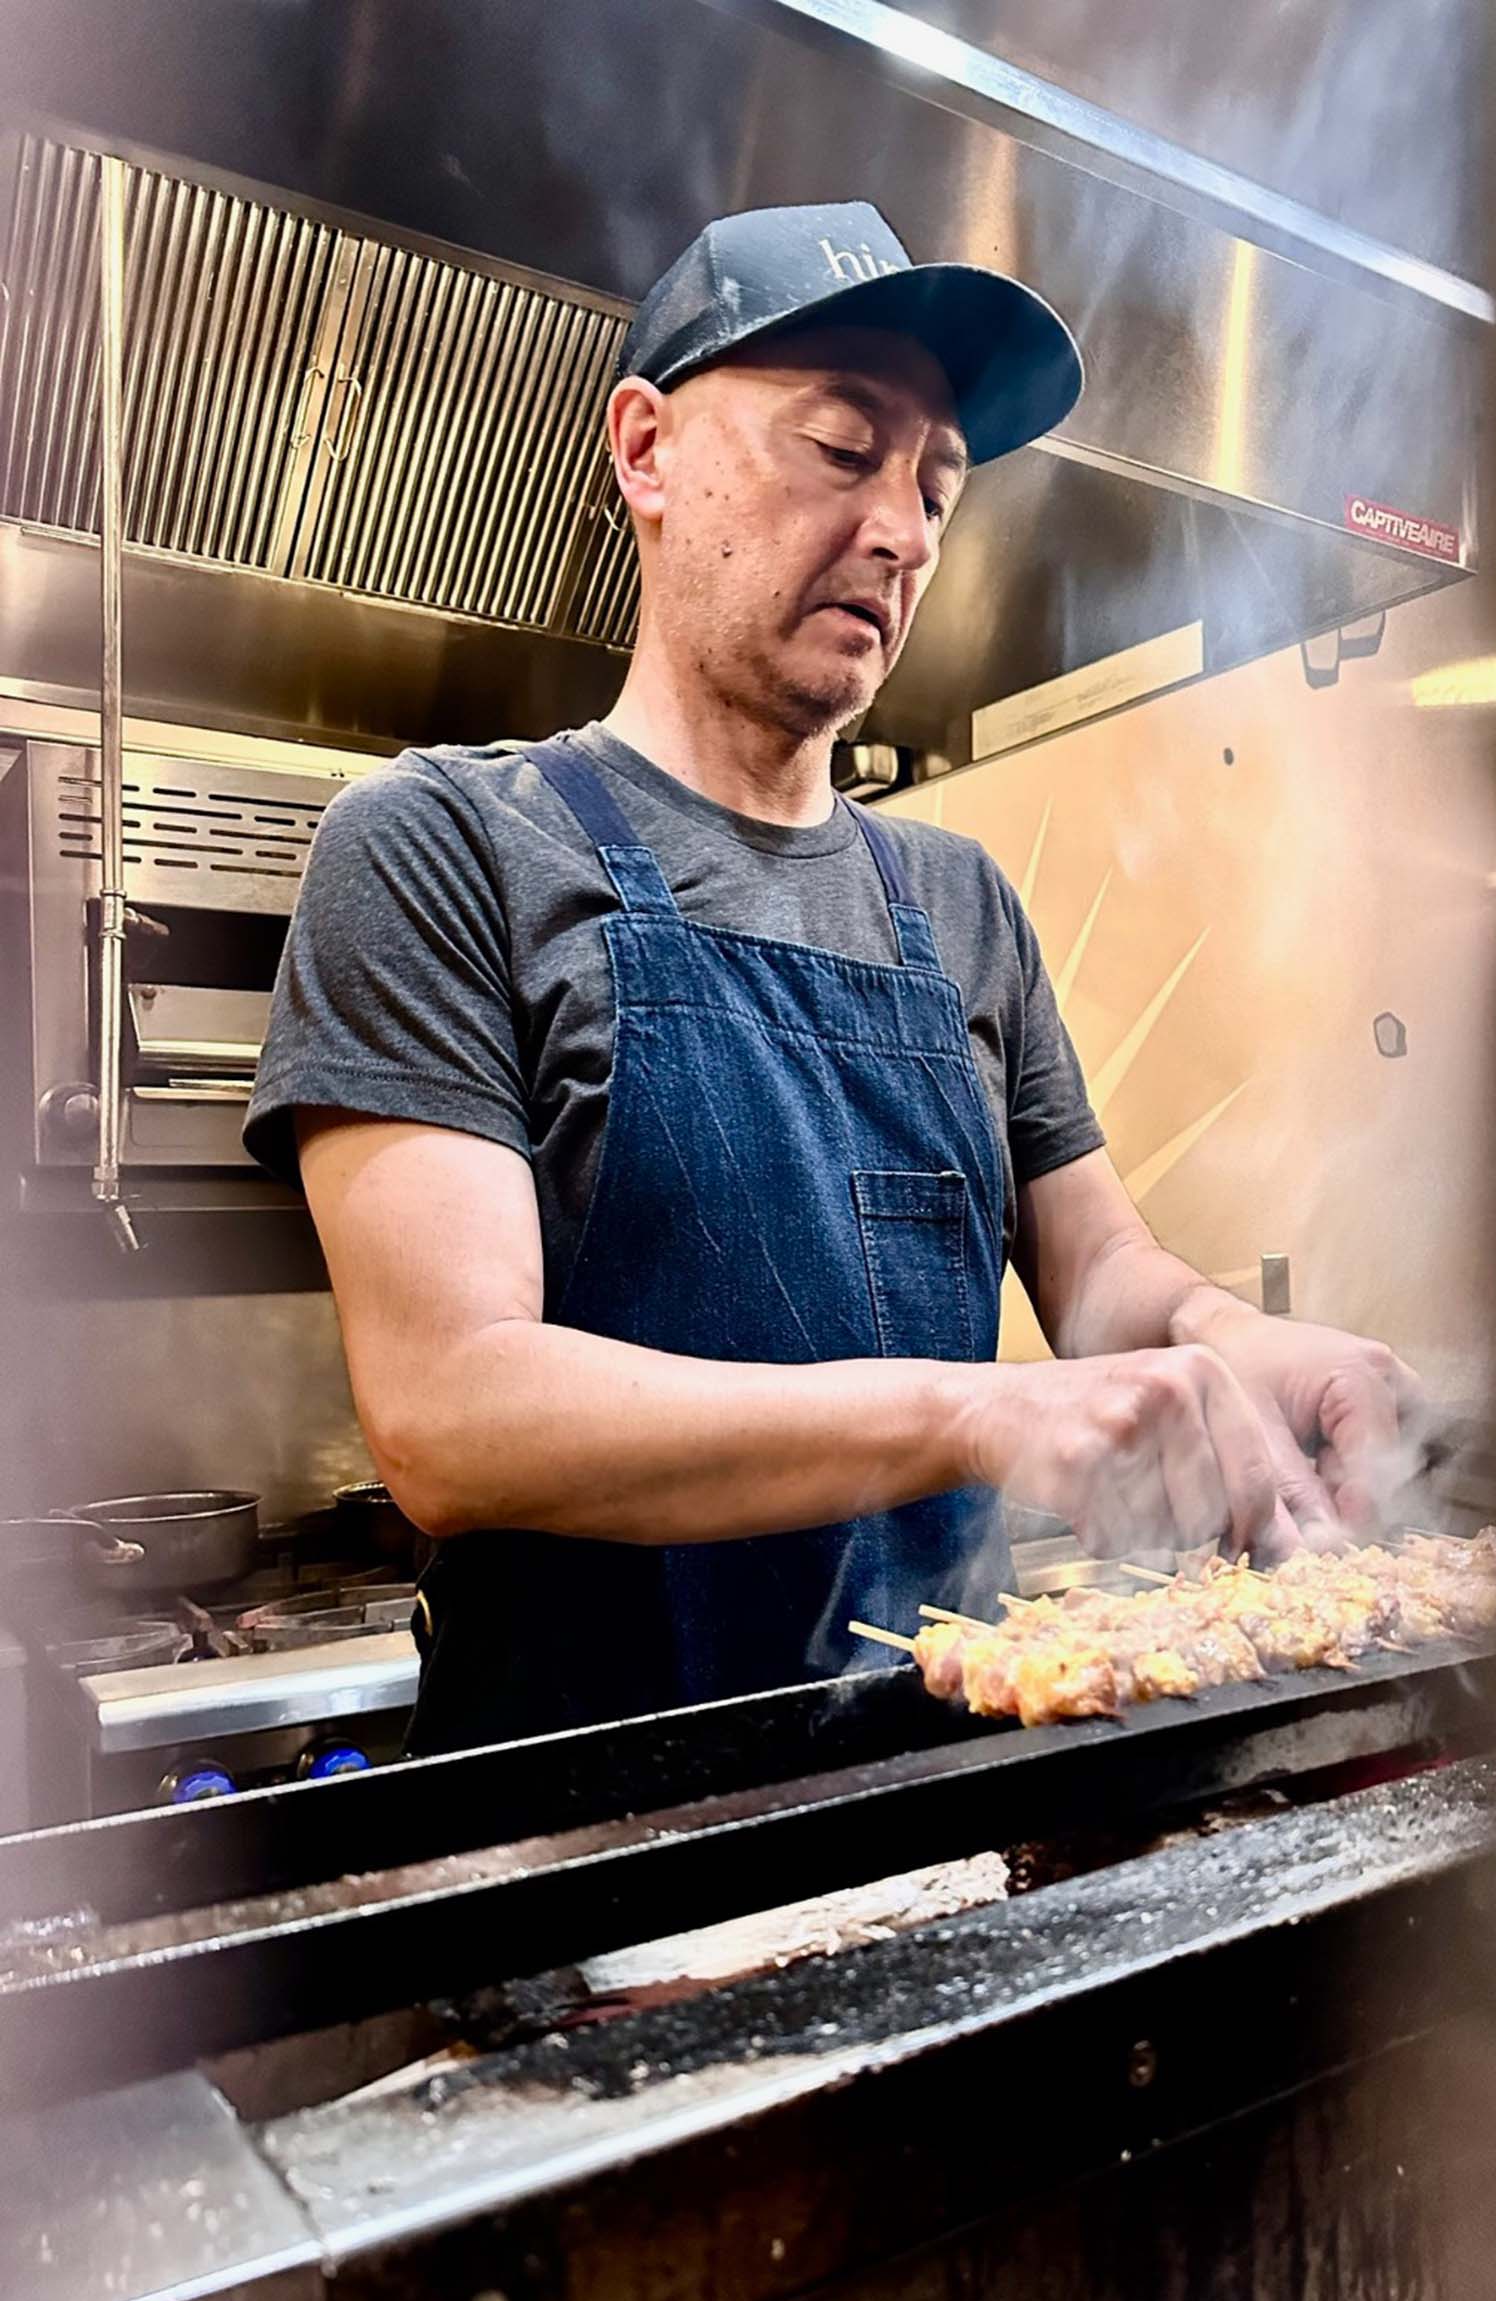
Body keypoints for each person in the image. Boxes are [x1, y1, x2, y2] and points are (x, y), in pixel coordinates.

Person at [246, 202, 1418, 1755]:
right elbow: (453, 1415)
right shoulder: (445, 844)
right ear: (647, 450)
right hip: (584, 1841)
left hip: (939, 1793)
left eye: (937, 489)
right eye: (843, 448)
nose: (908, 532)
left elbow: (1103, 1279)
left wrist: (1242, 1346)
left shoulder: (959, 901)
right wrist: (974, 1411)